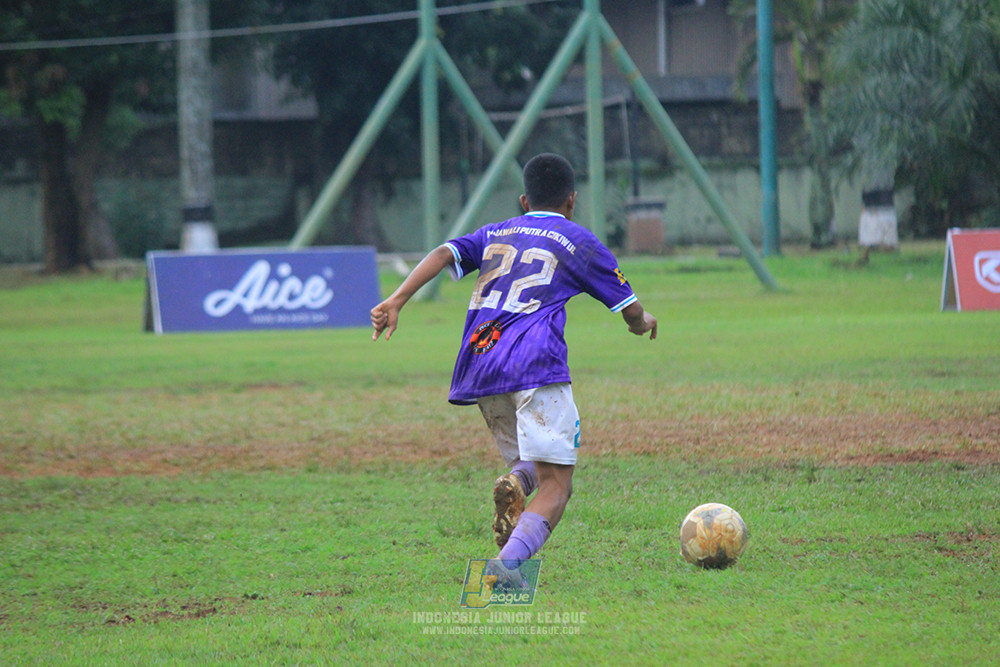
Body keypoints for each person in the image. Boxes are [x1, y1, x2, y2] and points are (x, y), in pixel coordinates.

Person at [371, 153, 657, 581]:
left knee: (533, 462)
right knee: (558, 486)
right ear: (572, 201)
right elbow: (628, 309)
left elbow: (444, 252)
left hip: (481, 363)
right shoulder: (577, 239)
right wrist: (643, 322)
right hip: (535, 364)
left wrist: (396, 300)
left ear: (525, 200)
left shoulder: (496, 231)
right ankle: (505, 569)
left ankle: (517, 485)